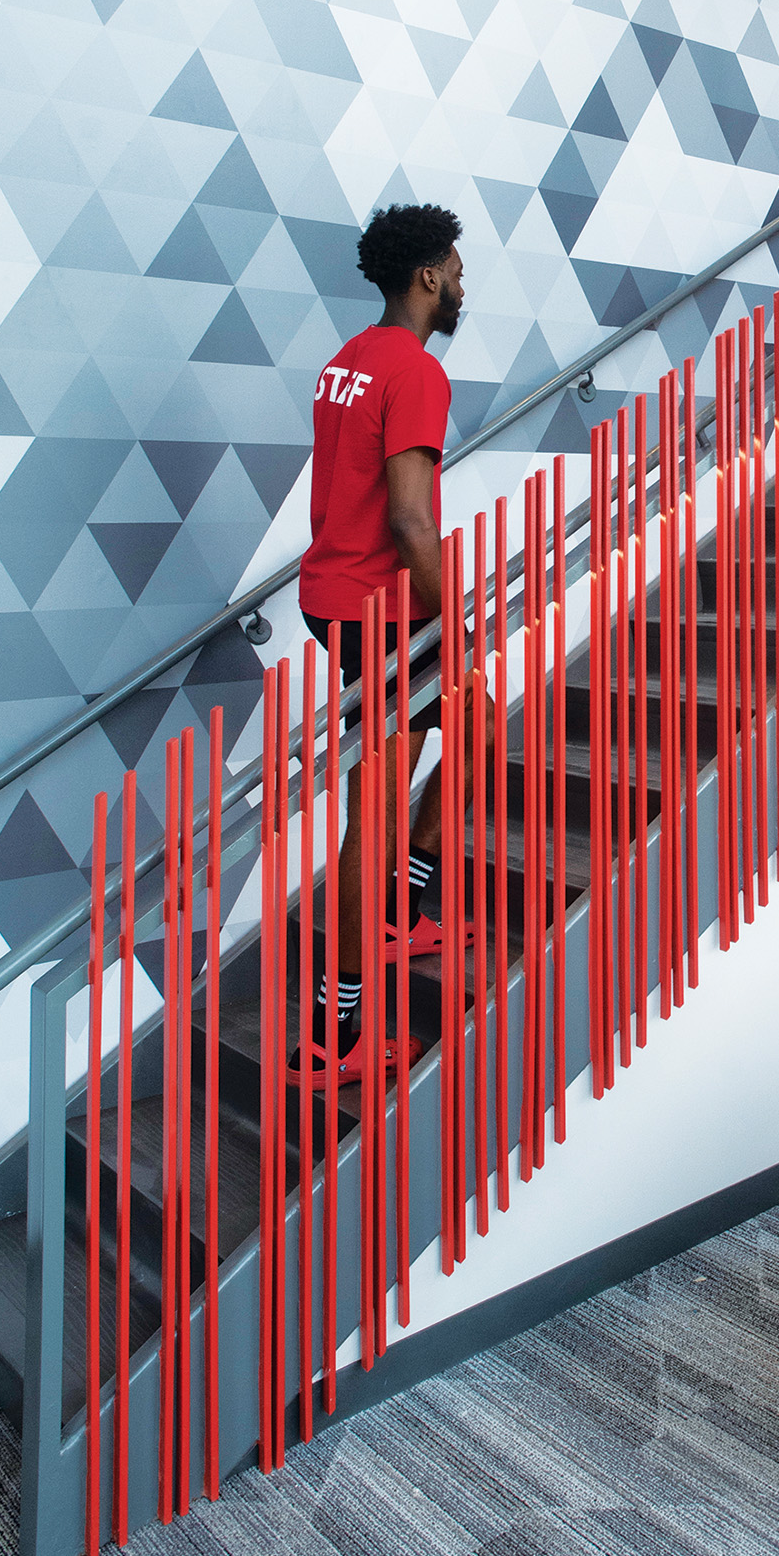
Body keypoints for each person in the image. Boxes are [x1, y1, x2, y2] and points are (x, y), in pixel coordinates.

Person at [294, 204, 465, 1075]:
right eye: (457, 268)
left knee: (469, 731)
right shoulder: (416, 373)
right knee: (375, 807)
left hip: (332, 596)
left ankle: (411, 905)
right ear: (428, 275)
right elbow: (409, 516)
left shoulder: (345, 362)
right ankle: (341, 1031)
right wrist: (453, 625)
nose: (463, 282)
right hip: (382, 609)